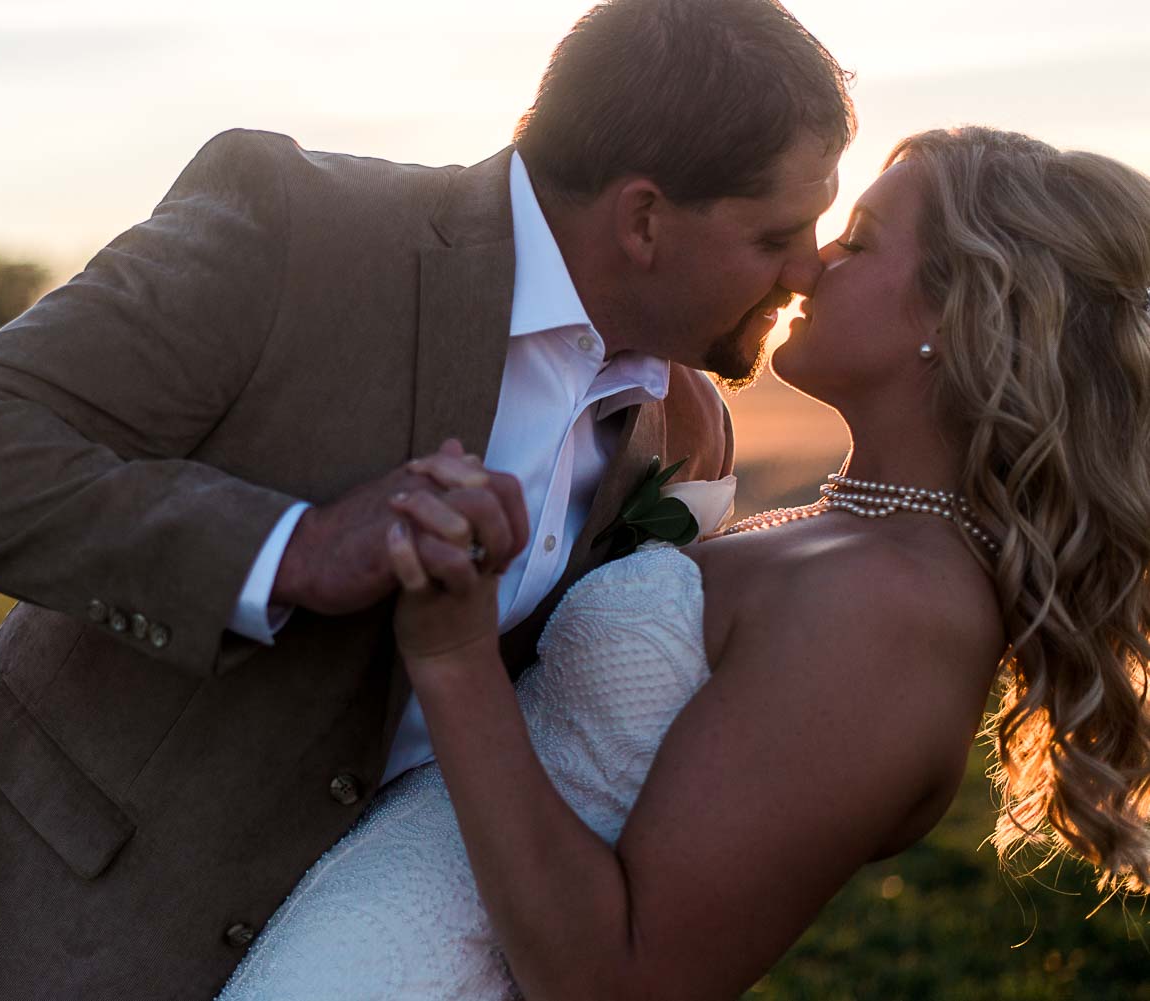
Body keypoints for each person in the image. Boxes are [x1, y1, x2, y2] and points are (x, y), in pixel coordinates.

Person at [0, 1, 855, 997]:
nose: (811, 267)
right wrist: (292, 548)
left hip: (361, 951)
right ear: (642, 218)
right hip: (61, 914)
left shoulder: (689, 424)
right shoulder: (297, 229)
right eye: (777, 235)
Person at [212, 126, 1150, 1000]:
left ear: (964, 316)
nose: (813, 261)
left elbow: (620, 980)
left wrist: (455, 657)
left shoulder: (898, 615)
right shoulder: (855, 534)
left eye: (859, 241)